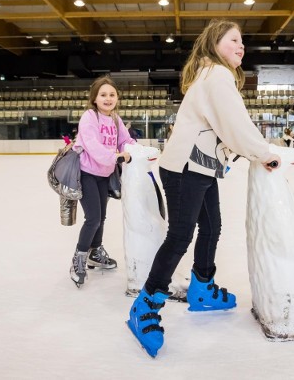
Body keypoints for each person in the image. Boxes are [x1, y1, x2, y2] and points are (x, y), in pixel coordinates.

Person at [126, 19, 282, 358]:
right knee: (181, 236)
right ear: (214, 44)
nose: (241, 47)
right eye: (234, 40)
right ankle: (145, 305)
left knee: (212, 227)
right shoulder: (217, 76)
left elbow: (229, 128)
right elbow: (236, 126)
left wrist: (254, 150)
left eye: (243, 42)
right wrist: (264, 153)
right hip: (185, 167)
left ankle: (202, 288)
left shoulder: (214, 75)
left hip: (200, 165)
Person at [69, 75, 135, 288]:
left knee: (102, 217)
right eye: (103, 95)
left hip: (105, 175)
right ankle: (79, 257)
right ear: (94, 98)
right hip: (87, 173)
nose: (108, 98)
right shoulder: (90, 117)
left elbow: (126, 140)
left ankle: (95, 252)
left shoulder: (115, 119)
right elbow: (92, 145)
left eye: (112, 94)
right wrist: (115, 156)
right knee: (93, 218)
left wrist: (137, 150)